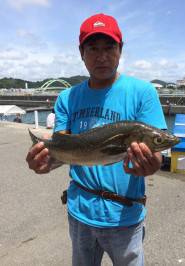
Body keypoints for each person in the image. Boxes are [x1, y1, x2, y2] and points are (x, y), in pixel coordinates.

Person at [26, 13, 167, 266]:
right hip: (79, 212)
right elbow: (65, 150)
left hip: (125, 216)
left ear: (120, 50)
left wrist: (152, 164)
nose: (102, 56)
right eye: (93, 48)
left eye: (109, 47)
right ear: (81, 53)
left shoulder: (143, 93)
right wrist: (45, 162)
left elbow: (155, 157)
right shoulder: (67, 98)